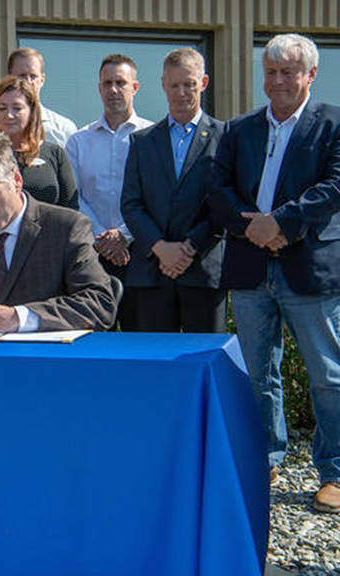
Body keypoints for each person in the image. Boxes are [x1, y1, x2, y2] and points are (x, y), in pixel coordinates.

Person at [209, 33, 340, 511]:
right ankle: (265, 457)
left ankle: (335, 472)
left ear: (311, 74)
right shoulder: (239, 129)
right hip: (250, 269)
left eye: (288, 71)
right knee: (258, 373)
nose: (278, 81)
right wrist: (256, 230)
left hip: (309, 267)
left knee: (328, 374)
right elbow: (218, 189)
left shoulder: (333, 124)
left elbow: (335, 186)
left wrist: (281, 224)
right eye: (270, 71)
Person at [0, 134, 115, 332]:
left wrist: (20, 317)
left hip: (43, 358)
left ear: (16, 180)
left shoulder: (66, 228)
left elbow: (100, 304)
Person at [120, 48, 226, 333]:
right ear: (163, 85)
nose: (181, 93)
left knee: (201, 362)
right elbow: (131, 204)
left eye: (189, 84)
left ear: (203, 83)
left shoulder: (225, 137)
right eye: (174, 85)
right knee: (153, 368)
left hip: (203, 272)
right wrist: (160, 248)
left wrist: (189, 247)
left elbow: (226, 205)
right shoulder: (142, 142)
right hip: (151, 272)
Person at [66, 54, 153, 330]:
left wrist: (124, 236)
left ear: (135, 87)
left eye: (121, 83)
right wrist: (104, 237)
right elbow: (73, 197)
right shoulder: (79, 141)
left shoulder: (153, 136)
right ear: (99, 88)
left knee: (139, 343)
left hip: (142, 256)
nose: (113, 90)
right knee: (95, 342)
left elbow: (156, 196)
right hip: (93, 256)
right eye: (107, 83)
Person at [0, 75, 77, 218]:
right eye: (2, 108)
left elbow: (71, 208)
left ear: (32, 111)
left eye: (17, 108)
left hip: (48, 237)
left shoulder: (54, 154)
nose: (9, 115)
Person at [0, 47, 77, 149]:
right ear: (9, 78)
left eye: (33, 76)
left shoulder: (63, 129)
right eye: (22, 76)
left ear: (42, 80)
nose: (28, 81)